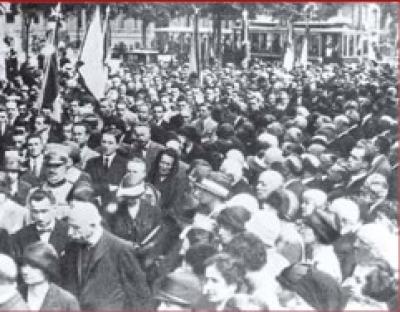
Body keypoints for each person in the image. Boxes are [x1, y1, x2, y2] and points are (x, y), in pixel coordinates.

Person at [60, 200, 151, 309]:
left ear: (93, 225)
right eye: (69, 226)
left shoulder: (121, 249)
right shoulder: (72, 247)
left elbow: (139, 294)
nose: (69, 232)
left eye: (76, 227)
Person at [20, 241, 80, 310]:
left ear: (48, 268)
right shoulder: (14, 295)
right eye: (23, 265)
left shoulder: (66, 301)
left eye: (33, 266)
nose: (25, 271)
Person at [12, 189, 69, 257]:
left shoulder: (68, 232)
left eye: (44, 211)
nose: (40, 217)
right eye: (35, 212)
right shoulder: (20, 236)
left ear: (54, 208)